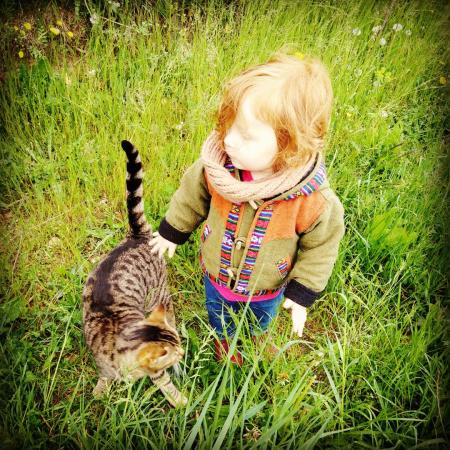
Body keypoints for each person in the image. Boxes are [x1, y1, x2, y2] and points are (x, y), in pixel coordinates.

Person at [149, 52, 345, 366]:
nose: (229, 140)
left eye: (246, 135)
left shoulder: (311, 199)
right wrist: (172, 231)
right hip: (217, 275)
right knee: (219, 315)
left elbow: (321, 245)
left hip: (266, 286)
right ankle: (225, 342)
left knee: (260, 319)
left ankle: (255, 338)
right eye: (230, 127)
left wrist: (302, 292)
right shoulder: (217, 170)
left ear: (290, 146)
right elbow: (191, 196)